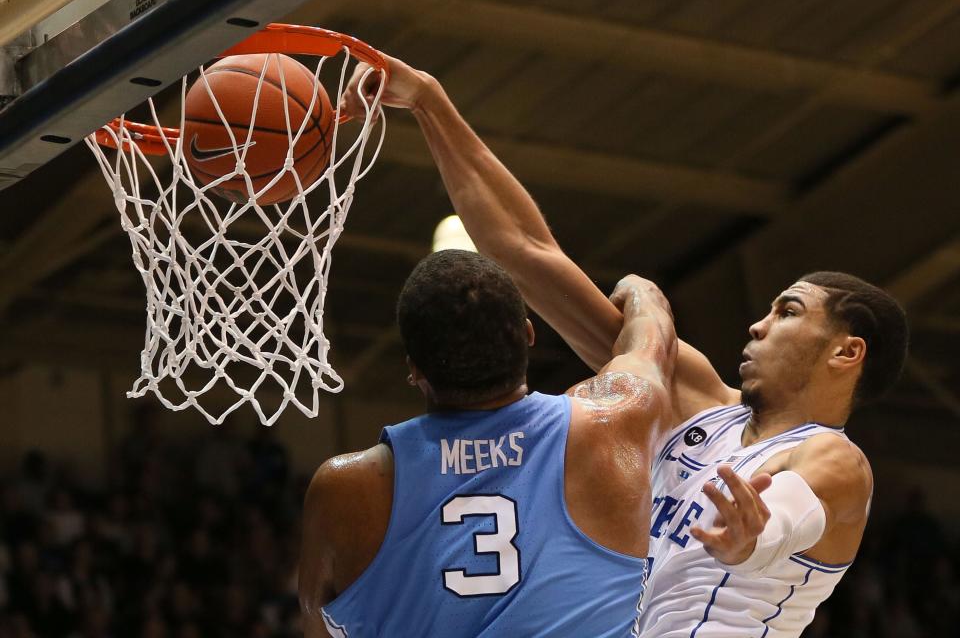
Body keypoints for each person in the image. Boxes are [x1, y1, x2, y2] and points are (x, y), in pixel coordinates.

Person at [340, 55, 909, 637]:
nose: (757, 326)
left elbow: (783, 519)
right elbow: (526, 252)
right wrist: (430, 103)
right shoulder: (693, 400)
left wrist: (751, 539)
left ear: (846, 352)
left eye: (787, 312)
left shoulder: (834, 459)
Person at [298, 249, 679, 636]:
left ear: (414, 369)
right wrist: (639, 291)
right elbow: (654, 340)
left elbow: (317, 625)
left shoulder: (344, 488)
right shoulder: (615, 421)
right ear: (529, 334)